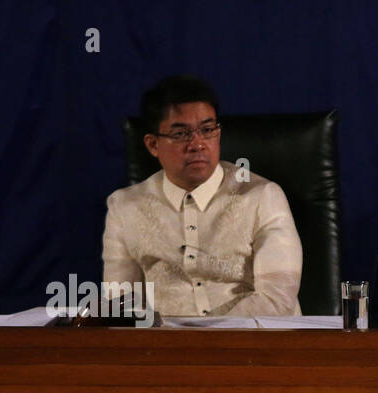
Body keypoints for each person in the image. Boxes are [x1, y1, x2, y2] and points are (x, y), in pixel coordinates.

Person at [102, 75, 302, 318]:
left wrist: (209, 341)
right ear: (153, 144)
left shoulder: (262, 197)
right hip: (166, 348)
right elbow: (120, 304)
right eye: (181, 134)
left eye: (207, 130)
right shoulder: (125, 207)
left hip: (254, 343)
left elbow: (276, 300)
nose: (197, 144)